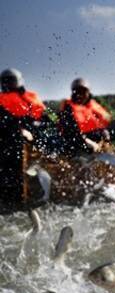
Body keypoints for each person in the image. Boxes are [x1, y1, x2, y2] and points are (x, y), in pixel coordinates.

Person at [0, 68, 45, 208]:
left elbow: (46, 121)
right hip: (8, 140)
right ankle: (12, 197)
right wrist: (19, 130)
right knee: (14, 142)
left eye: (11, 81)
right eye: (5, 81)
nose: (8, 84)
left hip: (31, 139)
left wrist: (31, 132)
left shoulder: (31, 99)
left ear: (18, 82)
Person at [58, 78, 111, 158]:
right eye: (77, 92)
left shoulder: (93, 105)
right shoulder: (68, 107)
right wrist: (86, 141)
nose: (80, 95)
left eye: (83, 92)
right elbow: (69, 130)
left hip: (96, 142)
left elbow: (102, 124)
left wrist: (105, 135)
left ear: (88, 93)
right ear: (73, 93)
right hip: (77, 142)